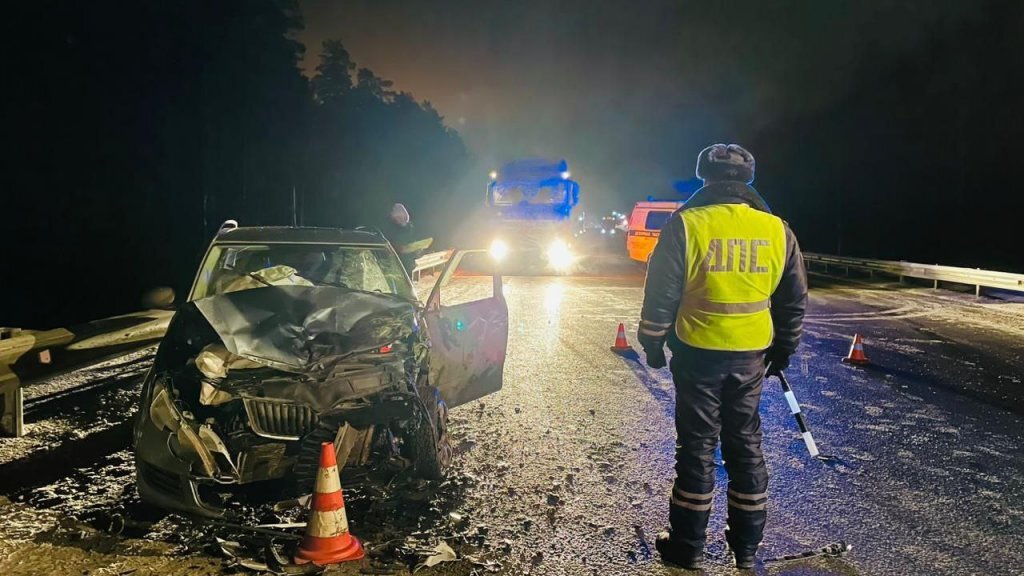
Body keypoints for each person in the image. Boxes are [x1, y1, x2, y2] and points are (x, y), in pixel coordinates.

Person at [638, 144, 808, 570]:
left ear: (705, 177)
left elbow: (662, 292)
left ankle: (688, 547)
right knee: (746, 446)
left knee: (696, 449)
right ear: (746, 179)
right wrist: (784, 348)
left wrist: (654, 342)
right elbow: (793, 299)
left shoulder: (686, 224)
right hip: (751, 355)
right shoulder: (776, 229)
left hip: (697, 353)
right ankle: (746, 549)